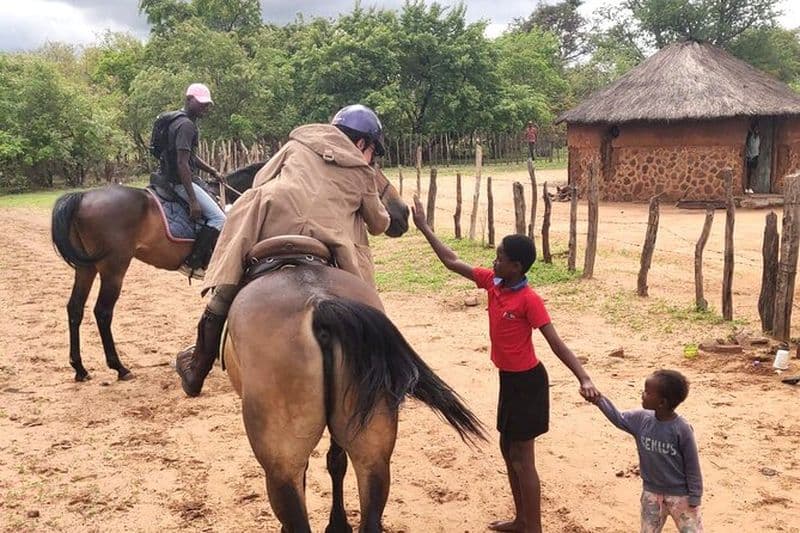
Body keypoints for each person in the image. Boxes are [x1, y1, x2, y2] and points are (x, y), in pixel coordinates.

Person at [175, 104, 391, 397]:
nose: (372, 158)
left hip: (273, 227)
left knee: (225, 292)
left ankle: (197, 369)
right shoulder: (362, 171)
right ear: (362, 143)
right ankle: (379, 374)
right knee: (366, 305)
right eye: (373, 151)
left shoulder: (298, 144)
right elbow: (378, 224)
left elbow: (261, 179)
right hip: (327, 240)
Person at [411, 196, 599, 533]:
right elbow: (451, 260)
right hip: (509, 381)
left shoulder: (529, 300)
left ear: (517, 267)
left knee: (523, 458)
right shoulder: (492, 282)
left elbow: (555, 343)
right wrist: (424, 227)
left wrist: (583, 378)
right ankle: (521, 519)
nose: (493, 261)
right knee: (506, 448)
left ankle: (533, 527)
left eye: (500, 258)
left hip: (528, 383)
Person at [587, 370, 703, 533]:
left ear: (662, 402)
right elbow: (618, 418)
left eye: (647, 392)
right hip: (651, 493)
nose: (642, 394)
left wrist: (695, 495)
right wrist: (598, 399)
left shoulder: (682, 429)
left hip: (681, 496)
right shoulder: (641, 419)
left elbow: (692, 464)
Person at [161, 83, 226, 266]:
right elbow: (182, 163)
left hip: (168, 176)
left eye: (207, 104)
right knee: (219, 219)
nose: (204, 108)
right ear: (189, 100)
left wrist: (212, 171)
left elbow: (190, 157)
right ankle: (195, 261)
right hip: (179, 182)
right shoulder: (187, 126)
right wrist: (193, 200)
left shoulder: (176, 120)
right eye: (201, 103)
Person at [745, 122, 760, 194]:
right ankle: (746, 187)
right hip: (749, 156)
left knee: (753, 172)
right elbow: (746, 143)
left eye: (758, 129)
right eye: (756, 129)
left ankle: (750, 187)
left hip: (755, 156)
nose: (757, 130)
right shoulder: (750, 135)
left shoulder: (758, 137)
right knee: (748, 172)